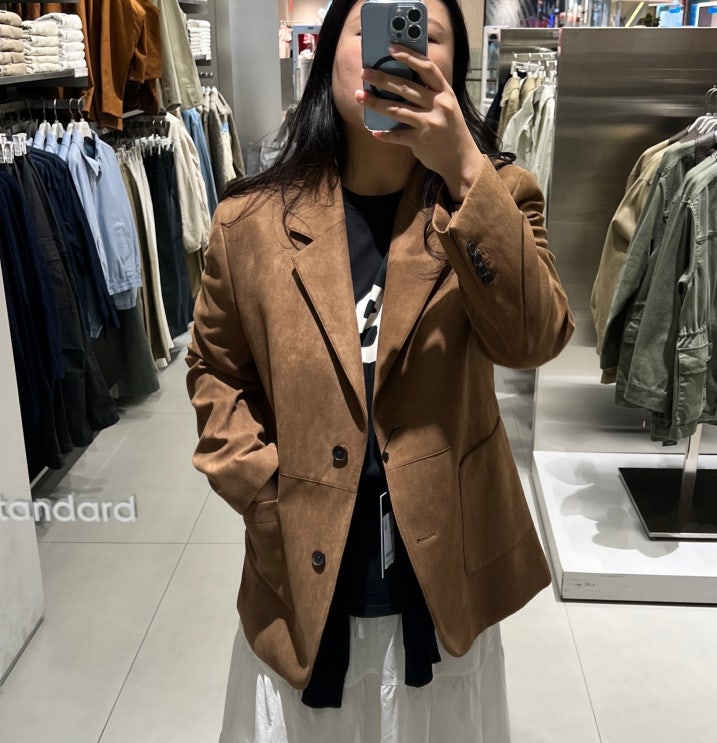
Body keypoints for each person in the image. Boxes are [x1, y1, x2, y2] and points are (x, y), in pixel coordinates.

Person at [185, 0, 574, 740]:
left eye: (421, 33)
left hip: (443, 575)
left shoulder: (495, 196)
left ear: (453, 70)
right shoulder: (249, 222)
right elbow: (215, 372)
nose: (392, 50)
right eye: (370, 27)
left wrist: (463, 169)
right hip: (298, 576)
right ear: (329, 50)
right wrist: (263, 492)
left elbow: (534, 339)